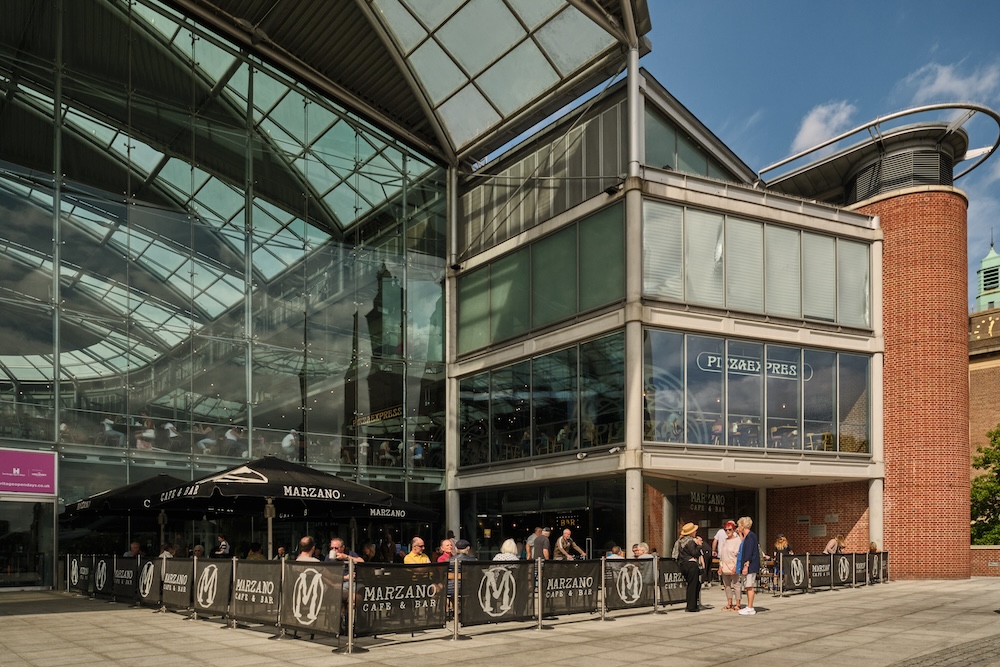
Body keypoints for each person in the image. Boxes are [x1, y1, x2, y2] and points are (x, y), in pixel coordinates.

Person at [675, 523, 703, 612]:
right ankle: (692, 606)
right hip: (691, 565)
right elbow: (695, 553)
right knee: (693, 585)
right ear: (692, 532)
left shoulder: (679, 541)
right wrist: (699, 546)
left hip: (683, 565)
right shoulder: (691, 541)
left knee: (692, 584)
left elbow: (675, 555)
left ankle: (692, 605)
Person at [736, 516, 760, 615]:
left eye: (739, 525)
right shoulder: (748, 536)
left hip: (750, 565)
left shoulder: (750, 537)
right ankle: (749, 606)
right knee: (747, 585)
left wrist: (746, 565)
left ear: (743, 525)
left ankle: (750, 607)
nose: (738, 527)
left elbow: (749, 552)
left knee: (749, 586)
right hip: (748, 565)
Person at [717, 520, 741, 610]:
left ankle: (738, 603)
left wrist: (736, 566)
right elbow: (722, 555)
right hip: (725, 564)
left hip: (733, 564)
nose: (727, 531)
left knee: (736, 585)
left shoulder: (737, 540)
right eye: (725, 530)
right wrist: (720, 566)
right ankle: (729, 602)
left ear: (733, 530)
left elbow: (738, 555)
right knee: (727, 585)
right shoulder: (724, 541)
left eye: (729, 529)